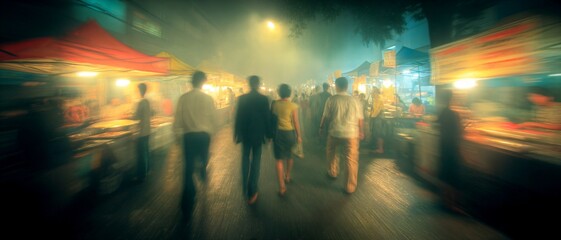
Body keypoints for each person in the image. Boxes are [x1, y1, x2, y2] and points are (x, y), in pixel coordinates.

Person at [174, 71, 217, 217]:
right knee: (203, 159)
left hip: (188, 137)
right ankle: (202, 168)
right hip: (204, 136)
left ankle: (187, 202)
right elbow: (214, 119)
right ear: (203, 82)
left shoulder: (183, 99)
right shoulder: (208, 99)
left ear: (191, 82)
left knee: (187, 168)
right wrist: (213, 134)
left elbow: (177, 121)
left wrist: (176, 137)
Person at [320, 77, 364, 194]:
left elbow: (325, 116)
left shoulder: (331, 99)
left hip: (334, 132)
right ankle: (349, 187)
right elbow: (360, 119)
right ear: (347, 86)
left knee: (331, 151)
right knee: (351, 160)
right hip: (351, 134)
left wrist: (321, 128)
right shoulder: (355, 101)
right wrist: (361, 131)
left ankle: (333, 171)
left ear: (337, 86)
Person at [234, 76, 271, 205]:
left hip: (245, 135)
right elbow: (267, 118)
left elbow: (238, 118)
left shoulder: (242, 98)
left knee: (244, 159)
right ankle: (253, 189)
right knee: (256, 162)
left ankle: (245, 186)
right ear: (259, 85)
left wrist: (236, 134)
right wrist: (269, 135)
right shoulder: (264, 99)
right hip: (258, 136)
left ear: (249, 84)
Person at [271, 84, 302, 197]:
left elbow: (272, 120)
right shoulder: (293, 106)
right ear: (289, 93)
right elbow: (296, 122)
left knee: (279, 160)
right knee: (289, 156)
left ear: (279, 92)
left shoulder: (274, 105)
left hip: (278, 134)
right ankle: (287, 176)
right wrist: (299, 135)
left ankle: (282, 187)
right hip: (289, 134)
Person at [437, 89, 463, 212]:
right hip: (452, 147)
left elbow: (438, 126)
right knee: (453, 176)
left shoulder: (442, 113)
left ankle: (445, 201)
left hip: (443, 146)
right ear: (451, 99)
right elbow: (460, 132)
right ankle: (452, 205)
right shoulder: (453, 114)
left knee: (445, 173)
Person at [134, 83, 151, 181]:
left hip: (142, 131)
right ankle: (147, 170)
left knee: (141, 154)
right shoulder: (147, 102)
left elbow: (136, 116)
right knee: (146, 152)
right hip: (147, 130)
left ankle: (141, 176)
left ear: (140, 90)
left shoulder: (141, 102)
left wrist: (130, 115)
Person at [369, 87, 385, 154]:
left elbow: (377, 111)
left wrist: (372, 116)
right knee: (376, 133)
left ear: (375, 92)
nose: (371, 93)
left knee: (378, 133)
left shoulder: (378, 99)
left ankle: (380, 149)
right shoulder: (375, 99)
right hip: (376, 117)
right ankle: (378, 148)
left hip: (378, 118)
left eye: (372, 92)